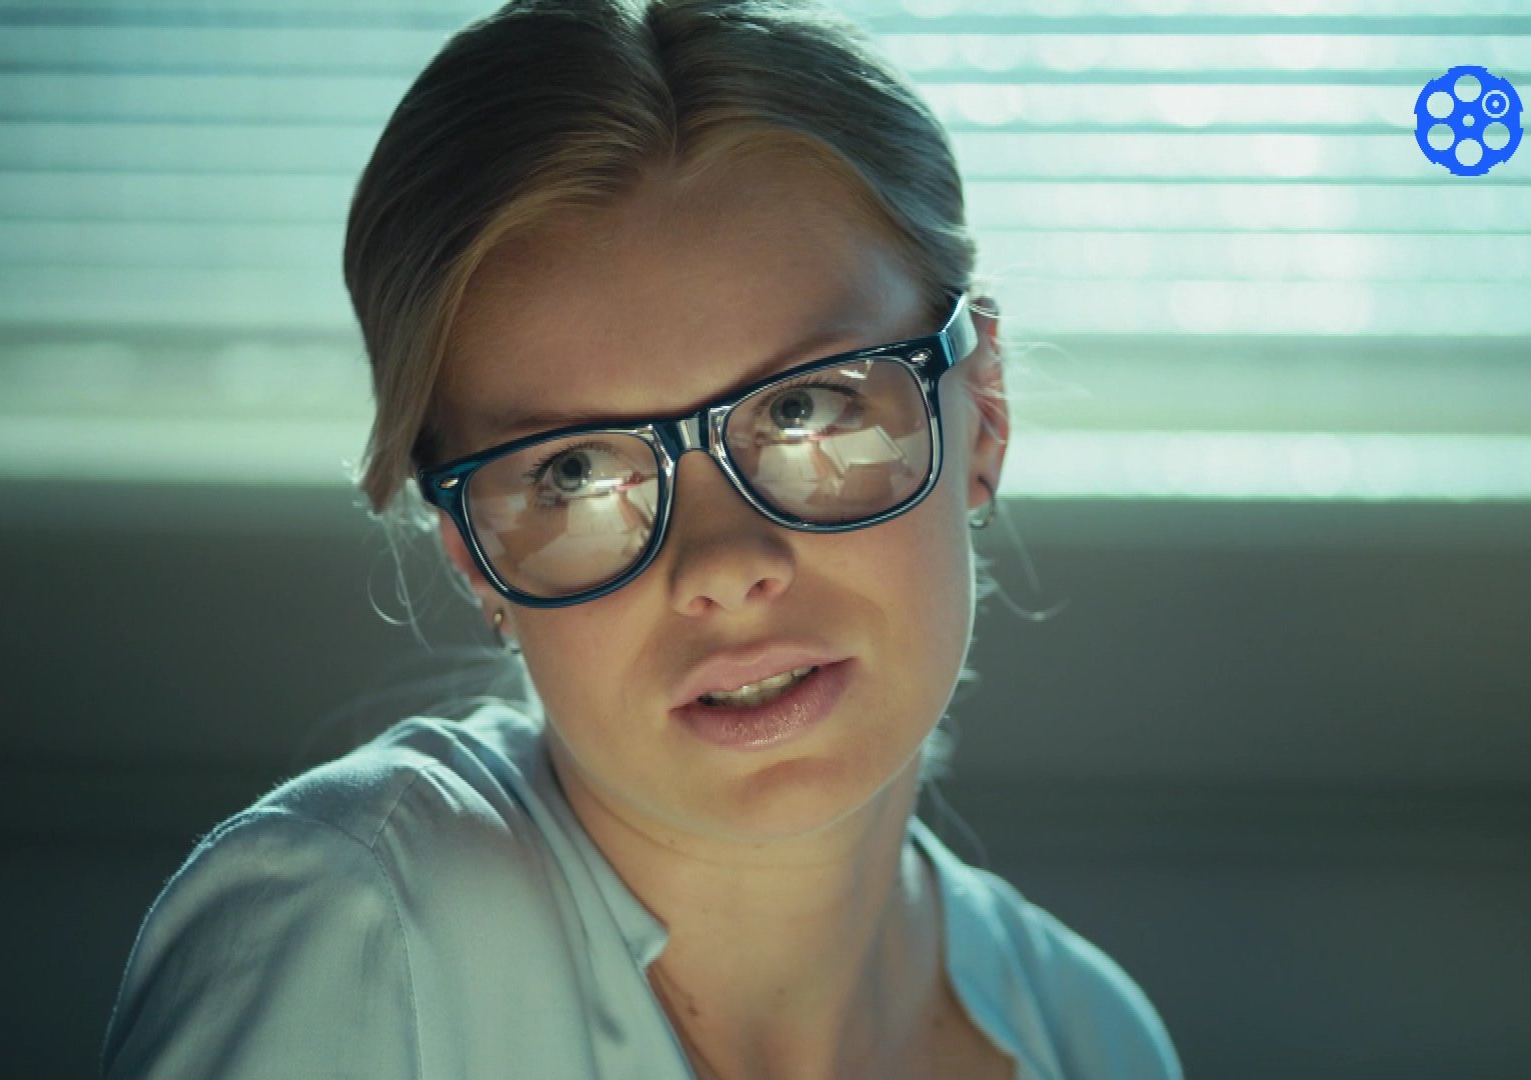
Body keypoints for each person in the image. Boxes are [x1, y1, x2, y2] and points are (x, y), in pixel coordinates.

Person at [100, 1, 1182, 1077]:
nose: (723, 565)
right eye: (574, 472)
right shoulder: (353, 938)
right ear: (472, 556)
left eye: (804, 410)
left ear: (983, 412)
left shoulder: (1094, 1041)